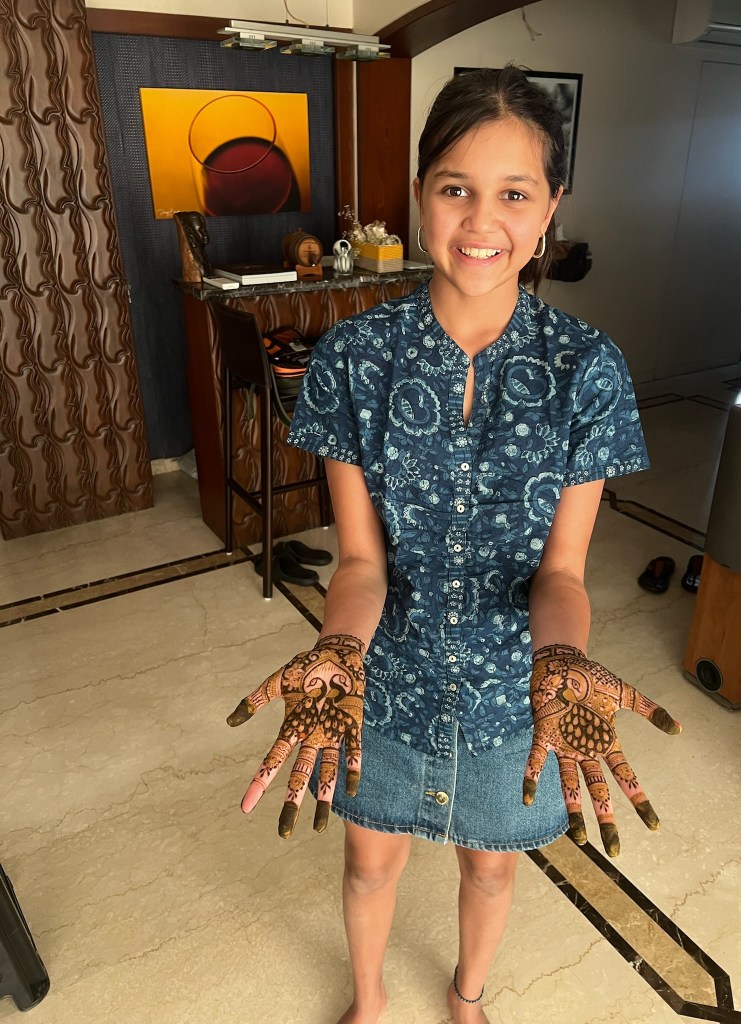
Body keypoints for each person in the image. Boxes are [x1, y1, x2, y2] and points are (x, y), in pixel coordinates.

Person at [227, 65, 681, 1024]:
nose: (482, 221)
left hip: (519, 692)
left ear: (551, 206)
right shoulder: (354, 360)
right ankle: (368, 1001)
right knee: (368, 863)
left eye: (515, 193)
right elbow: (360, 563)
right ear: (419, 194)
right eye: (456, 188)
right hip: (383, 680)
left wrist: (563, 661)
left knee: (492, 868)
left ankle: (467, 997)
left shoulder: (589, 371)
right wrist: (338, 649)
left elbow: (561, 574)